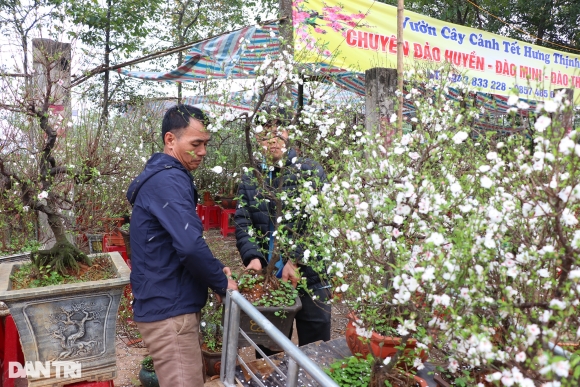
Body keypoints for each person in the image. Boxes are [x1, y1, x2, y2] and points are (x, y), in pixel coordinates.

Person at [126, 104, 237, 387]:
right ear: (170, 140)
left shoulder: (166, 176)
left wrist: (214, 269)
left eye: (205, 144)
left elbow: (180, 242)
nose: (202, 152)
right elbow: (189, 245)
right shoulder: (169, 180)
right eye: (196, 144)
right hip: (169, 313)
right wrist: (223, 284)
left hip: (166, 303)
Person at [234, 108, 331, 357]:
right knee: (268, 347)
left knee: (315, 343)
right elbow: (244, 221)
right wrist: (252, 257)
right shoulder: (251, 178)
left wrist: (295, 261)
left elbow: (318, 222)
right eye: (265, 134)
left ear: (289, 134)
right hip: (270, 277)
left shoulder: (310, 171)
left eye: (278, 133)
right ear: (256, 138)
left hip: (310, 275)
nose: (273, 140)